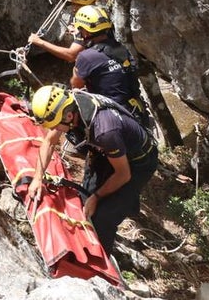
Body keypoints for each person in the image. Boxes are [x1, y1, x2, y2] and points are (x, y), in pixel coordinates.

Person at [26, 84, 158, 255]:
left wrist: (96, 197)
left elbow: (123, 174)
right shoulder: (71, 104)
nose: (53, 130)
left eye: (56, 126)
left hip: (138, 163)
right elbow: (49, 142)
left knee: (103, 217)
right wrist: (37, 178)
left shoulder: (105, 130)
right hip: (107, 152)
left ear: (69, 115)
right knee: (83, 201)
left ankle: (102, 263)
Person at [68, 5, 148, 125]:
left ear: (85, 30)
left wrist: (76, 67)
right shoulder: (120, 48)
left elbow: (76, 85)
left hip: (113, 117)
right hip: (136, 110)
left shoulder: (86, 57)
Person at [27, 0, 100, 63]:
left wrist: (39, 42)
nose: (74, 8)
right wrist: (77, 32)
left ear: (91, 2)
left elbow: (71, 55)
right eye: (73, 4)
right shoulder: (101, 17)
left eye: (78, 5)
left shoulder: (86, 24)